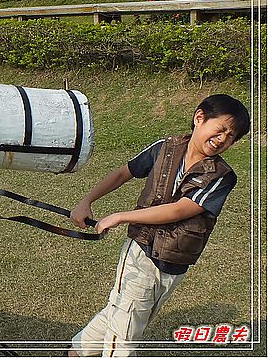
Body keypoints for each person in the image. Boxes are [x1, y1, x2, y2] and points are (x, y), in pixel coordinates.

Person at [69, 94, 250, 357]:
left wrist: (121, 215)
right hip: (141, 251)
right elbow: (125, 171)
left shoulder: (222, 177)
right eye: (221, 128)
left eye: (231, 136)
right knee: (126, 330)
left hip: (175, 262)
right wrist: (87, 201)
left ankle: (73, 353)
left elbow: (182, 209)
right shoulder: (165, 147)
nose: (223, 138)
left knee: (124, 315)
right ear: (199, 118)